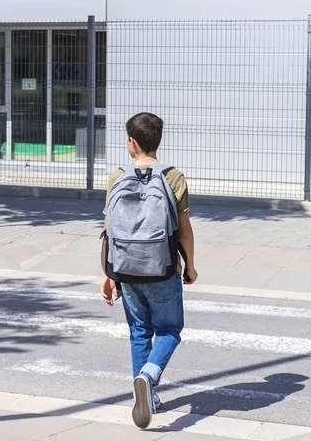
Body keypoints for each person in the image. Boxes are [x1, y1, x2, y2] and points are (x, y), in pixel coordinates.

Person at [100, 112, 198, 429]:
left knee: (139, 332)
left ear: (131, 143)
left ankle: (148, 396)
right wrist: (191, 267)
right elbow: (184, 231)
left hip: (126, 269)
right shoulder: (173, 177)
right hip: (163, 269)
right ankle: (149, 375)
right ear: (158, 140)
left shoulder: (117, 177)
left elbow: (108, 230)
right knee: (169, 331)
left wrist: (107, 272)